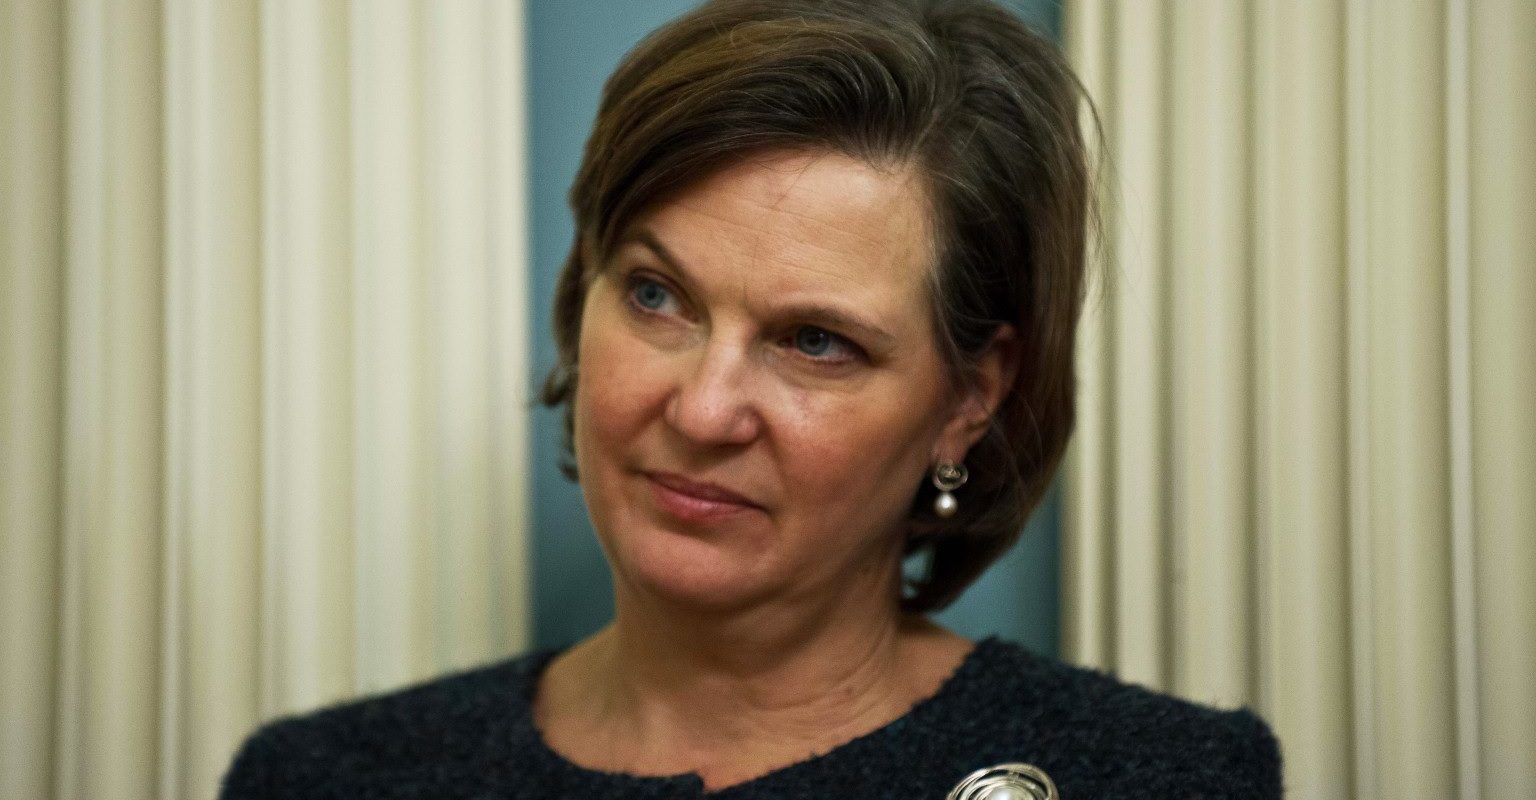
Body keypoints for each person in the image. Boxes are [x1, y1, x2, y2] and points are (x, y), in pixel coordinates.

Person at [221, 1, 1281, 798]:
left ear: (969, 398)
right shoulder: (324, 777)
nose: (702, 409)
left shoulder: (1166, 777)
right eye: (657, 295)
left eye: (816, 342)